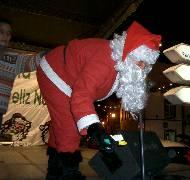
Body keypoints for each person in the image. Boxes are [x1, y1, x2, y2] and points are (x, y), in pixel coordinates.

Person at [36, 21, 162, 179]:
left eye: (146, 65)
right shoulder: (104, 62)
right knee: (69, 127)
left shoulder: (121, 64)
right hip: (56, 72)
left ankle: (54, 171)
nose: (142, 68)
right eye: (140, 62)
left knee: (61, 125)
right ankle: (69, 173)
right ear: (130, 54)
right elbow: (82, 94)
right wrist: (94, 128)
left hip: (66, 76)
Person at [0, 19, 41, 140]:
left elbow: (32, 61)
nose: (5, 36)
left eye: (8, 33)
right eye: (1, 32)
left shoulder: (13, 58)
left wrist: (55, 53)